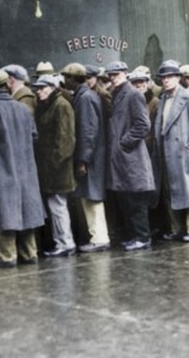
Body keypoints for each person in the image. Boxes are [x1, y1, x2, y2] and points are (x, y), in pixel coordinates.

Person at [0, 70, 46, 267]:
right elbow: (34, 136)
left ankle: (7, 257)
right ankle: (30, 254)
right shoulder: (22, 108)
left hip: (2, 171)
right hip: (26, 170)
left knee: (4, 214)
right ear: (7, 85)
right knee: (27, 214)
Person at [153, 60, 189, 242]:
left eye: (170, 77)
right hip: (167, 152)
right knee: (171, 191)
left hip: (184, 153)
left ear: (178, 78)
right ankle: (176, 228)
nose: (166, 81)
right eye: (163, 78)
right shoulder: (163, 99)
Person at [105, 61, 156, 251]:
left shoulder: (133, 94)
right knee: (127, 200)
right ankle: (135, 236)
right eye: (110, 75)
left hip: (132, 157)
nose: (113, 78)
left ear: (125, 74)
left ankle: (143, 237)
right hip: (123, 158)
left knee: (136, 200)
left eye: (116, 74)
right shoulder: (117, 94)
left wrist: (124, 142)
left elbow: (143, 125)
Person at [62, 63, 110, 253]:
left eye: (67, 77)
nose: (65, 81)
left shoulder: (85, 98)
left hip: (91, 157)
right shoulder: (85, 96)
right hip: (92, 155)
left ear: (75, 79)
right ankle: (97, 237)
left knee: (93, 198)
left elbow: (88, 132)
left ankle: (99, 238)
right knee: (91, 197)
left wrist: (83, 160)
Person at [32, 74, 77, 257]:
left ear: (52, 88)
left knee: (58, 206)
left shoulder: (61, 106)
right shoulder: (50, 105)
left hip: (58, 168)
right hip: (52, 167)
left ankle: (65, 243)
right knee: (56, 206)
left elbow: (66, 140)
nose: (39, 91)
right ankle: (63, 242)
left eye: (43, 88)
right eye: (38, 88)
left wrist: (55, 162)